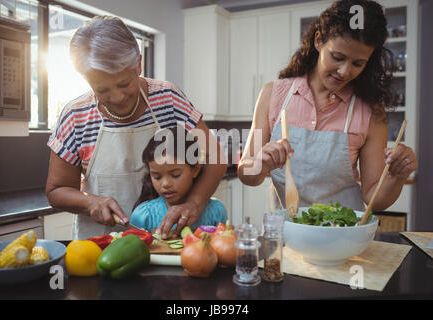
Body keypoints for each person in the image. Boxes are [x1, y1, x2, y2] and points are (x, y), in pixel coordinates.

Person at [45, 16, 226, 240]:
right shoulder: (75, 115)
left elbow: (216, 157)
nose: (118, 97)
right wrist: (91, 202)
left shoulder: (167, 98)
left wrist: (194, 204)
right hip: (99, 246)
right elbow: (56, 191)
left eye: (124, 83)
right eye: (102, 89)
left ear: (138, 65)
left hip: (165, 242)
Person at [238, 0, 418, 212]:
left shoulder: (370, 112)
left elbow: (373, 197)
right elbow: (246, 172)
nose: (344, 71)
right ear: (318, 40)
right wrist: (260, 163)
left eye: (358, 63)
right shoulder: (273, 94)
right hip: (286, 236)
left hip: (342, 236)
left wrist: (397, 176)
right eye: (337, 57)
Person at [130, 126, 228, 233]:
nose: (166, 184)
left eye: (175, 175)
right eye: (157, 177)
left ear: (195, 170)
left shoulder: (216, 211)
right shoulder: (143, 215)